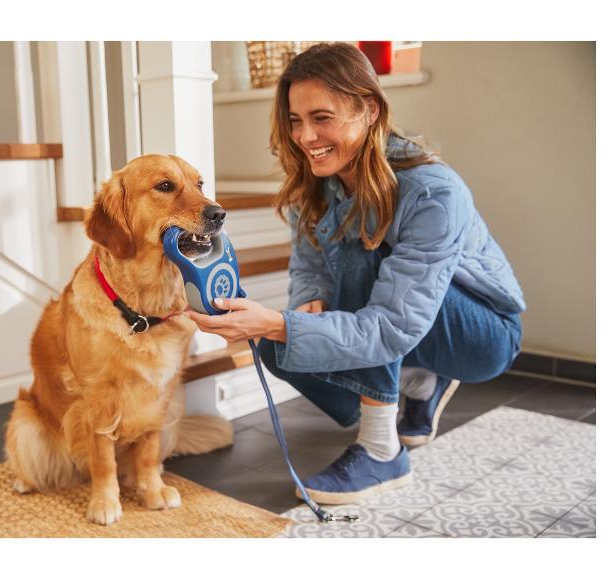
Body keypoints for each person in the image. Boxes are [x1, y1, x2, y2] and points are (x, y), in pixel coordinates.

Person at [188, 42, 525, 505]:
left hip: (484, 334)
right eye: (295, 121)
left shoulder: (432, 193)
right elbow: (308, 268)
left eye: (321, 117)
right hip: (406, 322)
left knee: (361, 265)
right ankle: (419, 381)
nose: (305, 136)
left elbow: (390, 324)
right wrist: (306, 307)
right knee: (279, 348)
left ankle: (382, 451)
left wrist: (281, 320)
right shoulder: (316, 183)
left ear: (367, 109)